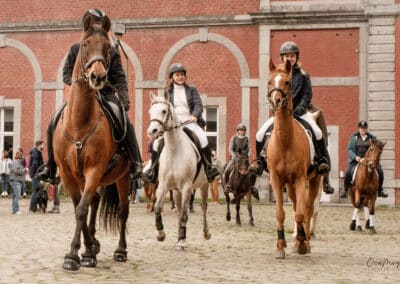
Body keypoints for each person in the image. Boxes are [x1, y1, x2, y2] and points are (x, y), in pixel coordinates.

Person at [36, 8, 142, 183]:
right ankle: (50, 167)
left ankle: (136, 162)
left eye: (100, 24)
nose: (97, 27)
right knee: (52, 123)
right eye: (94, 23)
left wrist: (124, 97)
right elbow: (66, 73)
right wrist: (80, 84)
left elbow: (120, 78)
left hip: (106, 95)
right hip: (82, 96)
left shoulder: (111, 51)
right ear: (87, 26)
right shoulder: (76, 49)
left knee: (125, 121)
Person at [255, 41, 330, 177]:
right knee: (260, 134)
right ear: (282, 58)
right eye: (287, 56)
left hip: (300, 113)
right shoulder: (278, 74)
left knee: (318, 132)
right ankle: (260, 163)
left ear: (297, 57)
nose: (290, 58)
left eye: (292, 56)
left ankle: (321, 161)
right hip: (281, 114)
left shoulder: (303, 75)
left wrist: (300, 108)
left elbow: (307, 94)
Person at [143, 63, 219, 182]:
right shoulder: (167, 91)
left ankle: (209, 168)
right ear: (172, 77)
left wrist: (195, 116)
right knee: (156, 143)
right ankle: (153, 169)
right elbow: (164, 108)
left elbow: (198, 105)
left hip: (190, 121)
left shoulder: (192, 89)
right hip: (173, 123)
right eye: (177, 75)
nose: (180, 77)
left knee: (203, 138)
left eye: (182, 75)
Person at [340, 120, 388, 198]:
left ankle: (380, 190)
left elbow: (377, 146)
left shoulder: (372, 138)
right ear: (359, 128)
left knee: (380, 171)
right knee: (348, 171)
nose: (363, 130)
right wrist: (355, 157)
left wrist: (381, 144)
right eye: (361, 128)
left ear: (366, 129)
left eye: (364, 128)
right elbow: (349, 149)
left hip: (369, 160)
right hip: (357, 159)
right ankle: (345, 190)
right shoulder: (354, 137)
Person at [223, 124, 259, 199]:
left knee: (254, 170)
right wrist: (234, 155)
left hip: (244, 159)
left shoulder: (247, 139)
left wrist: (248, 156)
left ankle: (252, 186)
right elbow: (230, 149)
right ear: (238, 131)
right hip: (235, 158)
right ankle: (227, 185)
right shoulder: (234, 138)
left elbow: (249, 149)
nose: (242, 131)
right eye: (240, 130)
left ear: (245, 131)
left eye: (243, 130)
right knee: (226, 170)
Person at [29, 140, 44, 212]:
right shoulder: (36, 153)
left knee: (36, 191)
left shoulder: (37, 152)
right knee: (35, 191)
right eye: (42, 145)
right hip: (36, 175)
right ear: (39, 145)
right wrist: (38, 173)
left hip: (35, 174)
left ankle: (34, 207)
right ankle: (32, 208)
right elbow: (35, 164)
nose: (43, 146)